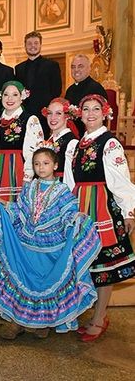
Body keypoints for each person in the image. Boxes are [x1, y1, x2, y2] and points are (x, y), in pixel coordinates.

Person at [0, 147, 101, 339]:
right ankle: (17, 322)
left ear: (55, 165)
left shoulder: (62, 191)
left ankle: (41, 323)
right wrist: (6, 207)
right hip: (26, 244)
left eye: (45, 163)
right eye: (37, 164)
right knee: (22, 281)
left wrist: (75, 218)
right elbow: (21, 211)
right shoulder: (29, 187)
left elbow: (67, 213)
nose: (41, 167)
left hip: (50, 247)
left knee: (44, 284)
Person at [64, 94, 135, 341]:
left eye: (96, 109)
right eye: (86, 109)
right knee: (86, 261)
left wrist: (128, 212)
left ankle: (99, 316)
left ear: (105, 113)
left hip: (101, 205)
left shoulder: (109, 143)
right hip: (80, 206)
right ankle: (91, 312)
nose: (91, 113)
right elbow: (69, 180)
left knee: (105, 264)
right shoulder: (75, 145)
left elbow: (121, 180)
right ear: (79, 114)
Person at [0, 81, 44, 202]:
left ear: (22, 97)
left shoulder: (30, 119)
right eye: (6, 94)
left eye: (15, 95)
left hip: (17, 168)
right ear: (1, 97)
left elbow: (35, 152)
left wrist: (27, 176)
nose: (10, 98)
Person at [15, 31, 62, 133]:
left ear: (40, 45)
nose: (33, 46)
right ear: (25, 46)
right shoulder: (19, 68)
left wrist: (49, 110)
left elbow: (56, 91)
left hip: (44, 114)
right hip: (24, 113)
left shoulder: (52, 65)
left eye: (36, 43)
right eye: (29, 43)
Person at [64, 54, 107, 137]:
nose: (76, 70)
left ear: (89, 68)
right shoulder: (70, 90)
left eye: (80, 66)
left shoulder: (96, 88)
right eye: (73, 67)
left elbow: (101, 116)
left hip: (90, 134)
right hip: (71, 134)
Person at [41, 97, 78, 180]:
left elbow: (71, 176)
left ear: (67, 116)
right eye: (49, 113)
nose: (53, 117)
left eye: (58, 113)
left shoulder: (72, 142)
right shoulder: (48, 140)